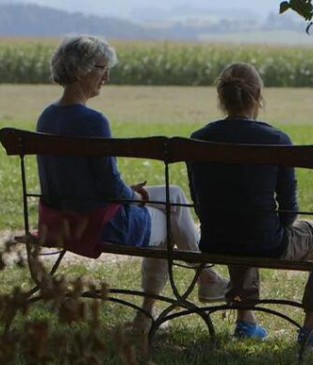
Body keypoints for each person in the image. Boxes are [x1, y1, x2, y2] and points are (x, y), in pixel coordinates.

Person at [36, 34, 228, 332]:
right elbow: (110, 186)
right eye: (102, 67)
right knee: (168, 217)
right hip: (100, 224)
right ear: (80, 70)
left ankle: (207, 277)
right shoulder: (92, 121)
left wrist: (129, 192)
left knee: (173, 194)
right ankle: (163, 305)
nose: (107, 76)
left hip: (60, 219)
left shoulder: (46, 117)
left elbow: (83, 181)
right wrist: (134, 197)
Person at [187, 62, 313, 347]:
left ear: (221, 97)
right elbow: (289, 212)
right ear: (258, 96)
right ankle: (312, 329)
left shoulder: (198, 139)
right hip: (266, 243)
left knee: (237, 223)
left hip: (215, 240)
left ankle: (246, 320)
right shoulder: (276, 139)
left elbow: (201, 204)